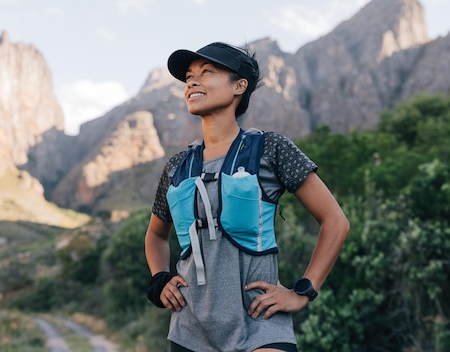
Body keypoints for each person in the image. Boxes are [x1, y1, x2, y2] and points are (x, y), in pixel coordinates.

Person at [144, 42, 349, 352]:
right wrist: (160, 278)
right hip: (189, 332)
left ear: (239, 85)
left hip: (261, 326)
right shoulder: (177, 166)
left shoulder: (271, 148)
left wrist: (303, 291)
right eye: (188, 76)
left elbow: (335, 221)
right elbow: (155, 236)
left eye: (207, 72)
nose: (192, 81)